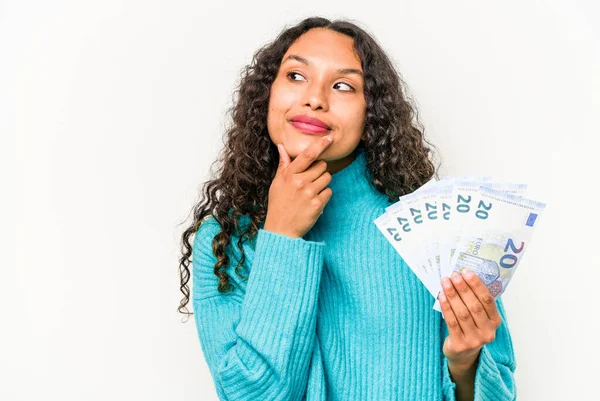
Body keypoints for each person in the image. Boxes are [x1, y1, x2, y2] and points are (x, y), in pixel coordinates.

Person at [178, 16, 517, 401]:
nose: (315, 98)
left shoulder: (436, 225)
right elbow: (249, 395)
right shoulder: (223, 243)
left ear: (371, 112)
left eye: (343, 85)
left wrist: (465, 361)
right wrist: (281, 236)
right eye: (295, 76)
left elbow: (500, 392)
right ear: (265, 96)